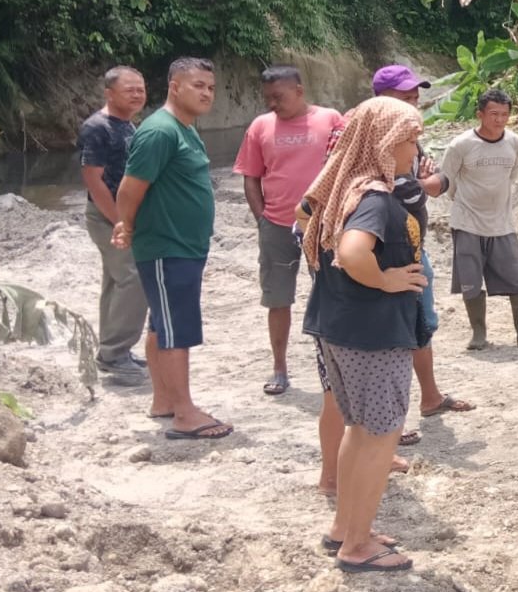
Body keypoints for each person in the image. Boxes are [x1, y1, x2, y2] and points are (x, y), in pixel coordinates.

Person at [301, 97, 430, 574]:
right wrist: (385, 279)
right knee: (380, 436)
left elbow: (304, 219)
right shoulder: (374, 197)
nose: (415, 150)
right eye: (410, 139)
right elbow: (355, 252)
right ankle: (358, 545)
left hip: (340, 327)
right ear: (385, 142)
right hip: (372, 335)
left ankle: (345, 528)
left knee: (359, 430)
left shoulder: (344, 187)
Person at [112, 57, 230, 441]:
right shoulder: (160, 131)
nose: (206, 93)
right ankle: (184, 413)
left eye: (210, 87)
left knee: (161, 323)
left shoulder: (185, 128)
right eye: (198, 85)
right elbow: (130, 187)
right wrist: (126, 225)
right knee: (177, 328)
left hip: (183, 246)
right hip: (167, 246)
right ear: (175, 87)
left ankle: (163, 400)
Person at [370, 65, 474, 432]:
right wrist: (423, 182)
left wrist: (424, 181)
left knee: (419, 323)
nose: (414, 105)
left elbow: (434, 183)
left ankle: (429, 397)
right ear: (382, 100)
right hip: (386, 254)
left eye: (415, 98)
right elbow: (414, 192)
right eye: (406, 98)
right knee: (392, 333)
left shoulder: (408, 138)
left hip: (413, 248)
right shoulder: (374, 141)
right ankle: (385, 426)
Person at [233, 66, 344, 396]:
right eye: (267, 98)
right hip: (278, 227)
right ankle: (279, 368)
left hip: (323, 226)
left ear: (299, 90)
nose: (272, 104)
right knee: (277, 299)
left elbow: (345, 167)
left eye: (278, 97)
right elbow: (251, 177)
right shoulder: (260, 126)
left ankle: (337, 366)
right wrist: (262, 219)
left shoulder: (330, 119)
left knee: (332, 295)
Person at [439, 88, 518, 350]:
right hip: (467, 222)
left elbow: (512, 176)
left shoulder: (514, 143)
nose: (499, 119)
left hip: (502, 223)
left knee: (516, 278)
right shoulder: (461, 145)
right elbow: (447, 181)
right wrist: (465, 202)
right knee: (470, 281)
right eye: (494, 114)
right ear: (480, 114)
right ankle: (479, 334)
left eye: (504, 114)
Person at [79, 66, 151, 387]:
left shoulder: (127, 124)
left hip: (124, 214)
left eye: (140, 89)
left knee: (116, 280)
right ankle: (114, 355)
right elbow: (93, 180)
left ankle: (112, 350)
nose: (137, 95)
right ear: (109, 93)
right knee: (134, 279)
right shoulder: (97, 127)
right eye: (129, 90)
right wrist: (120, 220)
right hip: (107, 215)